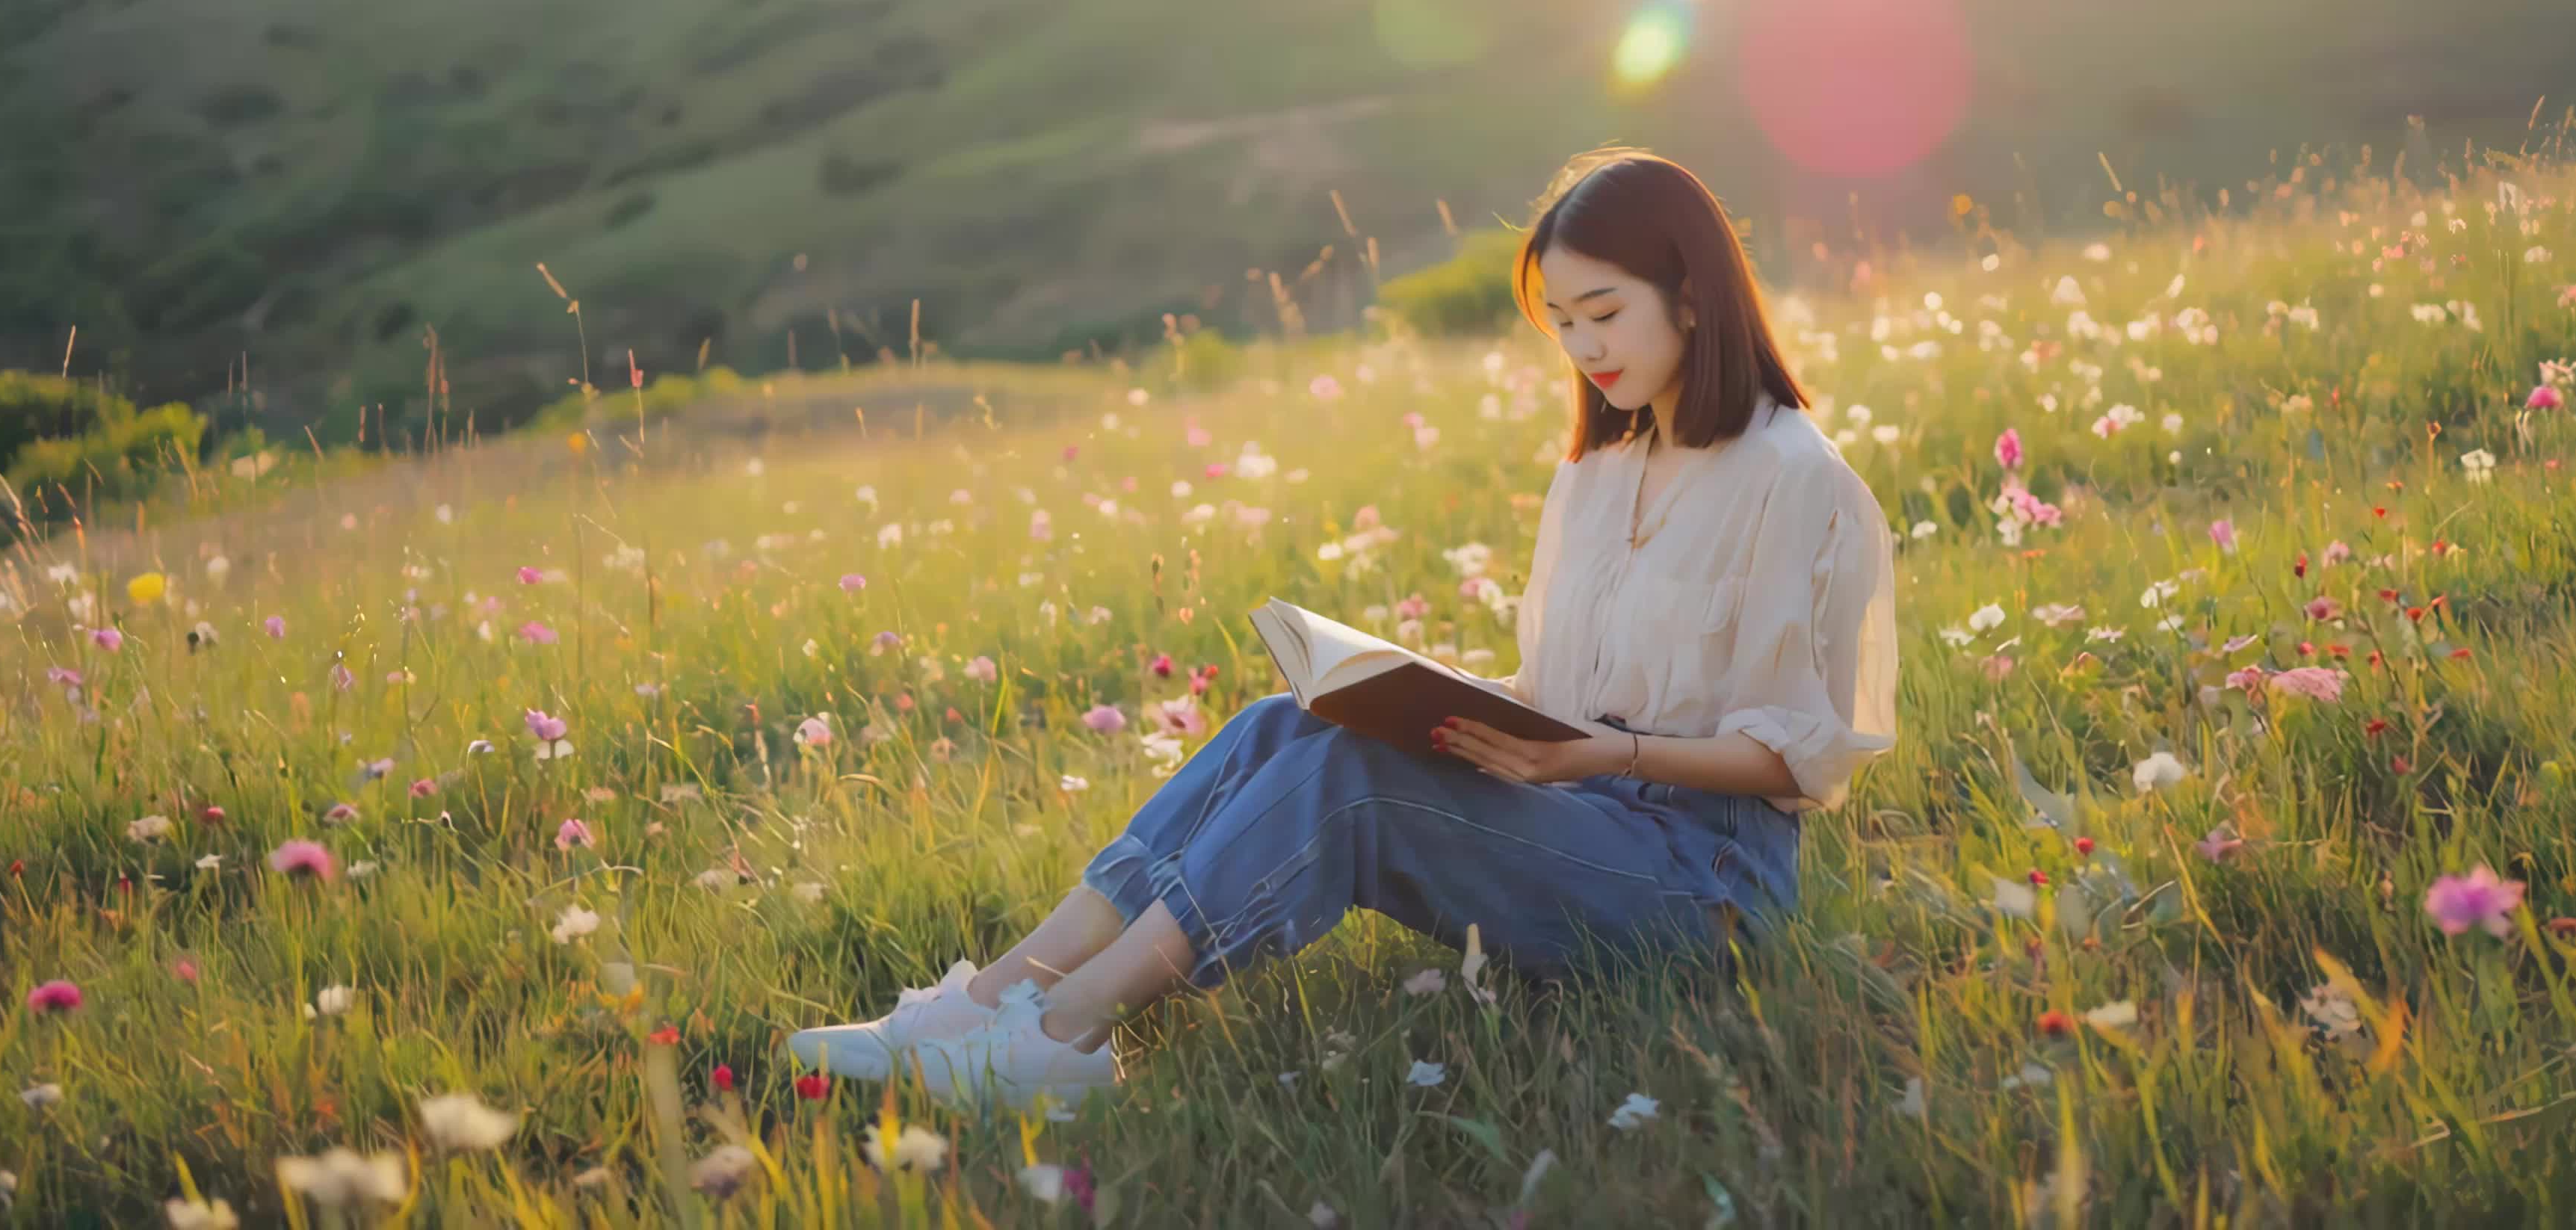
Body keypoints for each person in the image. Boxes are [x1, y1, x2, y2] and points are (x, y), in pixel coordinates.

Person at [786, 146, 1900, 1110]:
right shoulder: (1601, 474)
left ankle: (1060, 1037)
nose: (1583, 349)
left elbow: (1798, 757)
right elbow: (1566, 693)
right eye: (1560, 324)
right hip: (1585, 816)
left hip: (1701, 885)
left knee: (1353, 786)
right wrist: (1429, 696)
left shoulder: (1797, 478)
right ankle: (993, 1000)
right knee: (1289, 725)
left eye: (1604, 314)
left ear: (1692, 296)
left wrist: (1612, 753)